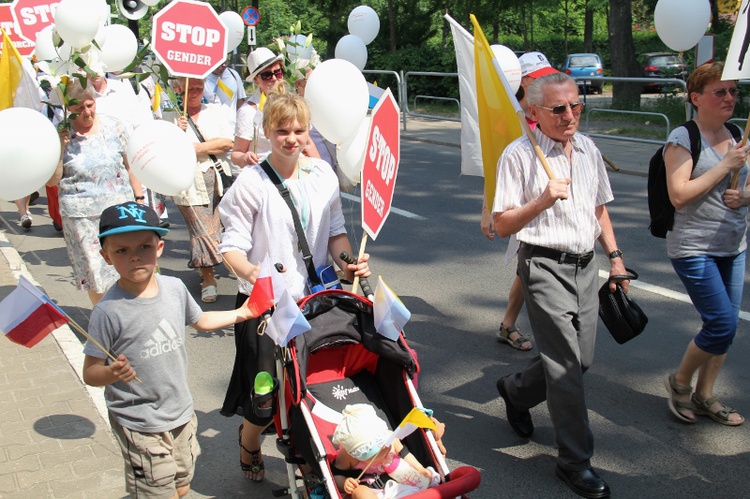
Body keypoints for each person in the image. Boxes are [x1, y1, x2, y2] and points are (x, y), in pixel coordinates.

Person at [218, 92, 371, 481]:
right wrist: (256, 277)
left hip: (313, 301)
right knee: (265, 394)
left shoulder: (323, 176)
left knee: (308, 386)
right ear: (266, 131)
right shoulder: (251, 182)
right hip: (265, 304)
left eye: (299, 130)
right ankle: (249, 442)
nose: (291, 138)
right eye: (282, 130)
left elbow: (336, 234)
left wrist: (349, 263)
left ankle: (306, 457)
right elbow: (231, 247)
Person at [492, 72, 628, 498]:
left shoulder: (588, 148)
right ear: (533, 113)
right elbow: (501, 224)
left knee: (580, 359)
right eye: (558, 109)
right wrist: (543, 199)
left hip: (586, 266)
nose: (570, 116)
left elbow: (598, 209)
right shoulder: (518, 155)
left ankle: (515, 391)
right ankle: (575, 462)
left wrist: (616, 259)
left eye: (576, 106)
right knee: (567, 367)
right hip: (543, 266)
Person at [82, 202, 259, 499]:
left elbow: (200, 320)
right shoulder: (108, 311)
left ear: (160, 247)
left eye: (144, 246)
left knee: (181, 484)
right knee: (157, 492)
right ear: (106, 256)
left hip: (180, 412)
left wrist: (242, 313)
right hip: (140, 423)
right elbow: (90, 372)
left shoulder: (175, 288)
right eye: (121, 250)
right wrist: (111, 373)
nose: (135, 256)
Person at [662, 62, 748, 427]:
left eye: (733, 91)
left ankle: (705, 394)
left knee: (724, 327)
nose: (730, 97)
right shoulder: (683, 139)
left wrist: (744, 198)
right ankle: (680, 382)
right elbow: (678, 196)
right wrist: (723, 164)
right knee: (721, 324)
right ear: (697, 98)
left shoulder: (737, 134)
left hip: (734, 244)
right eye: (720, 92)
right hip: (694, 247)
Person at [480, 51, 557, 351]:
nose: (548, 83)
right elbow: (493, 165)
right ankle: (522, 327)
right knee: (530, 263)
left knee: (528, 265)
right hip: (520, 203)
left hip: (546, 199)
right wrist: (488, 209)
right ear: (523, 81)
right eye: (541, 79)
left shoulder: (546, 112)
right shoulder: (506, 119)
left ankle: (509, 324)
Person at [46, 78, 145, 305]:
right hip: (82, 217)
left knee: (128, 263)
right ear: (67, 109)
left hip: (120, 211)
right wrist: (60, 149)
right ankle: (104, 318)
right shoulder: (60, 134)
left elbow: (131, 166)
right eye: (78, 108)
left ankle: (130, 315)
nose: (86, 112)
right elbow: (53, 180)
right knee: (96, 272)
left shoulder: (114, 125)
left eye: (90, 105)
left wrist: (139, 199)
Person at [168, 77, 234, 303]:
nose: (195, 93)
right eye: (189, 89)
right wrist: (177, 132)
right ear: (178, 89)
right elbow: (165, 150)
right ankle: (209, 278)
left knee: (216, 228)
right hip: (187, 185)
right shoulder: (170, 116)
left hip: (217, 180)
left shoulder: (214, 111)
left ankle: (211, 264)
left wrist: (195, 147)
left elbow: (227, 143)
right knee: (201, 231)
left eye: (199, 88)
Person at [331, 404, 438, 498]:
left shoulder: (391, 439)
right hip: (373, 491)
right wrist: (345, 483)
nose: (384, 457)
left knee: (427, 476)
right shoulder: (347, 456)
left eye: (387, 451)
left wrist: (419, 468)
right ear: (357, 456)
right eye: (376, 457)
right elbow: (336, 476)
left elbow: (406, 455)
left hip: (402, 482)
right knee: (359, 491)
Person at [231, 47, 286, 172]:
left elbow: (308, 144)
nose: (274, 78)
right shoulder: (249, 111)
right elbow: (236, 153)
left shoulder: (291, 104)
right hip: (264, 175)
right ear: (256, 80)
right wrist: (245, 158)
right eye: (266, 75)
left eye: (277, 72)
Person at [203, 57, 247, 128]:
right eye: (217, 65)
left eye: (224, 64)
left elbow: (241, 102)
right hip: (210, 127)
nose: (220, 68)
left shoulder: (233, 75)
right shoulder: (202, 77)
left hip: (231, 127)